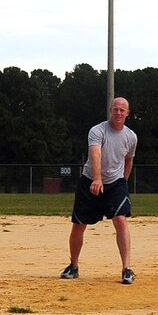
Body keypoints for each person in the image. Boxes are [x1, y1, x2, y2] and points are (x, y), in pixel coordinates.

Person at [61, 97, 137, 285]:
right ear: (110, 110)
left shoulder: (131, 137)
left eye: (122, 110)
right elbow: (95, 154)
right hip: (91, 181)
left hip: (115, 183)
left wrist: (123, 182)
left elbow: (129, 160)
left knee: (120, 220)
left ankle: (126, 269)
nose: (118, 113)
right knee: (79, 225)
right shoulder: (97, 131)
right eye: (115, 109)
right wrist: (97, 178)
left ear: (128, 113)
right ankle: (74, 265)